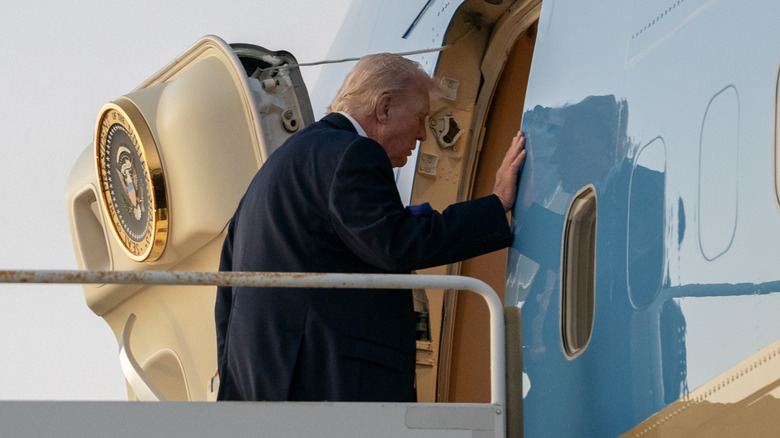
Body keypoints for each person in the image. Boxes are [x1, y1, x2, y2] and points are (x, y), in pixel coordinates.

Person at [215, 53, 526, 402]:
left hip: (258, 389)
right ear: (384, 108)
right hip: (332, 387)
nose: (423, 134)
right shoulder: (353, 152)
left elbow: (227, 291)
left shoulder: (272, 171)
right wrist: (496, 206)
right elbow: (395, 244)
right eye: (421, 117)